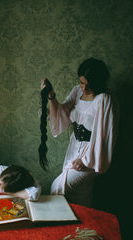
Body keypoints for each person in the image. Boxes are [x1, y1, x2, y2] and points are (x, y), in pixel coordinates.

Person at [40, 57, 118, 207]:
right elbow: (63, 113)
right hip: (74, 148)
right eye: (81, 82)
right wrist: (51, 95)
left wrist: (86, 160)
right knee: (81, 194)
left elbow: (106, 136)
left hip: (92, 156)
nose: (83, 87)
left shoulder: (105, 99)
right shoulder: (77, 91)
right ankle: (81, 228)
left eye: (87, 85)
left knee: (57, 187)